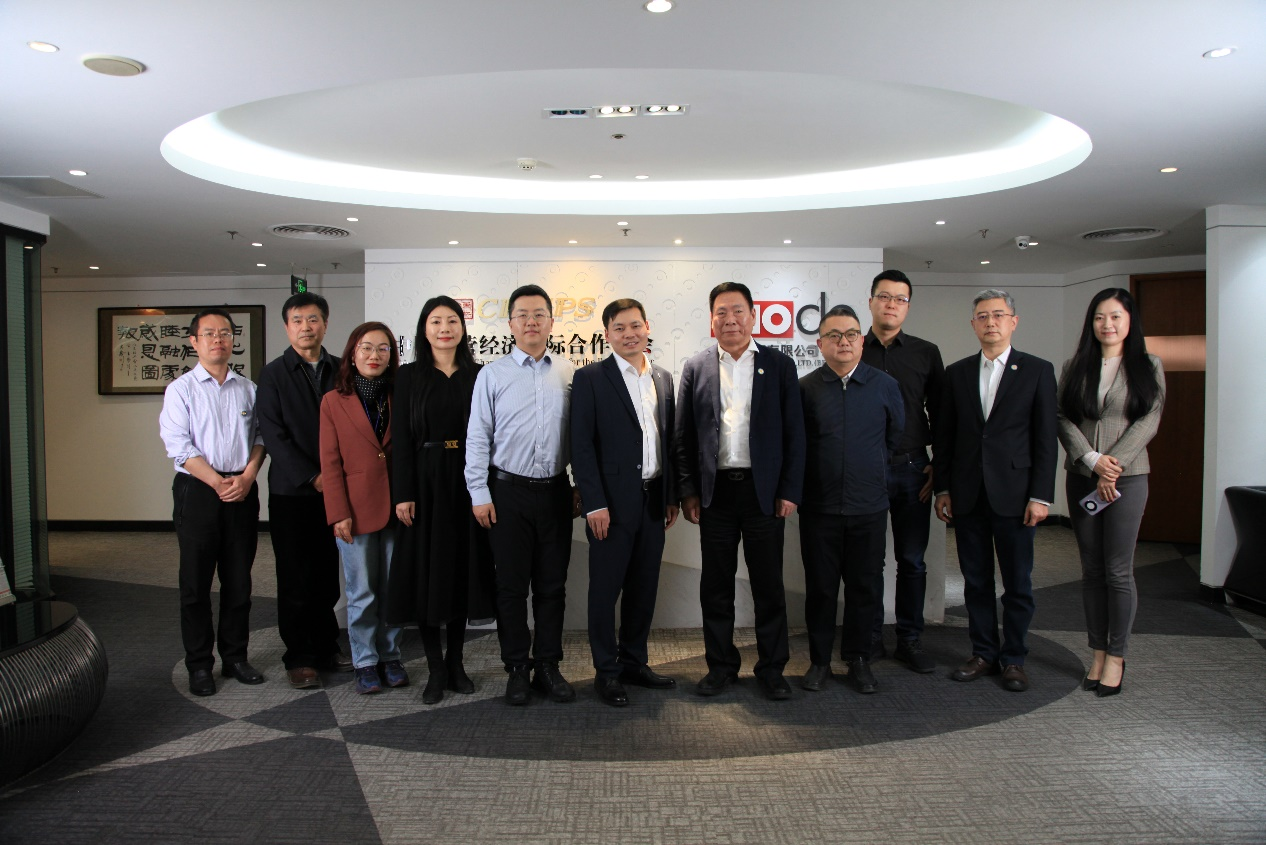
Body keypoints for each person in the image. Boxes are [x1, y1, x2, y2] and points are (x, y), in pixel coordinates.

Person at [675, 281, 805, 701]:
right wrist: (688, 491)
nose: (729, 319)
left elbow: (795, 434)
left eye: (737, 311)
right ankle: (721, 666)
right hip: (715, 495)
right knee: (716, 586)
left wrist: (789, 490)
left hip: (763, 494)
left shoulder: (779, 366)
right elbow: (683, 436)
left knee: (768, 586)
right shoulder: (696, 366)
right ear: (711, 320)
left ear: (752, 316)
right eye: (721, 312)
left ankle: (772, 668)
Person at [933, 289, 1057, 693]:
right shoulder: (957, 373)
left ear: (1013, 322)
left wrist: (1041, 495)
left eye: (998, 315)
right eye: (983, 316)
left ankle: (1014, 658)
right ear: (973, 324)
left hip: (1017, 496)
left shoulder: (1037, 370)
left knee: (1018, 583)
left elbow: (1045, 438)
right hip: (968, 494)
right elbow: (946, 437)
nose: (991, 322)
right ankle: (984, 652)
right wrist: (943, 487)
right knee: (976, 580)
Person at [466, 284, 578, 706]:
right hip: (506, 493)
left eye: (539, 314)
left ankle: (548, 664)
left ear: (551, 322)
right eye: (523, 315)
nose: (531, 322)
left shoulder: (569, 372)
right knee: (511, 587)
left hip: (556, 493)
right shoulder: (492, 375)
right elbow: (478, 436)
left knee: (552, 586)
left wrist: (580, 486)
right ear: (510, 324)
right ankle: (516, 667)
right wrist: (479, 492)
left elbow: (581, 437)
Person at [388, 296, 497, 705]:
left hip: (469, 480)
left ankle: (456, 663)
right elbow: (401, 440)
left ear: (463, 328)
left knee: (460, 573)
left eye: (452, 320)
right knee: (427, 575)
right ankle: (435, 668)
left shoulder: (479, 374)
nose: (445, 328)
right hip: (425, 482)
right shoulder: (409, 375)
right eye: (436, 321)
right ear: (424, 328)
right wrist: (403, 493)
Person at [571, 298, 679, 707]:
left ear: (647, 327)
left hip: (653, 501)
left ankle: (634, 662)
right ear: (607, 334)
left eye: (636, 326)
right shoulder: (590, 378)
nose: (629, 334)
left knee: (643, 588)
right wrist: (594, 503)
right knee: (605, 592)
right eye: (620, 328)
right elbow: (581, 445)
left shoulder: (663, 378)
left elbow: (669, 442)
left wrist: (670, 496)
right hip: (610, 507)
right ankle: (607, 672)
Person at [1056, 288, 1165, 698]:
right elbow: (1061, 416)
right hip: (1082, 476)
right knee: (1091, 570)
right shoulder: (1075, 366)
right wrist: (1091, 461)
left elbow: (1149, 419)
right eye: (1100, 317)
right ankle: (1098, 652)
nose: (1107, 324)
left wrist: (1112, 466)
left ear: (1130, 320)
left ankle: (1117, 656)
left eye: (1116, 316)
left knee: (1118, 570)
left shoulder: (1148, 365)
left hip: (1128, 478)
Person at [158, 307, 267, 697]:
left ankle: (235, 657)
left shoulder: (249, 389)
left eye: (225, 333)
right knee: (196, 583)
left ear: (233, 340)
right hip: (199, 491)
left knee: (239, 581)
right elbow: (178, 445)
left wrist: (248, 476)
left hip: (242, 488)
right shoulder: (181, 390)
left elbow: (261, 438)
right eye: (209, 333)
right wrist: (217, 482)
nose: (218, 339)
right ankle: (200, 664)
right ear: (194, 341)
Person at [799, 305, 904, 694]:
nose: (843, 342)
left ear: (861, 341)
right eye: (834, 335)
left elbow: (894, 437)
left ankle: (859, 660)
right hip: (819, 508)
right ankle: (819, 661)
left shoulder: (884, 386)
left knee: (864, 588)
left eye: (851, 334)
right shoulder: (805, 389)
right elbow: (798, 446)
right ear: (819, 344)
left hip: (869, 506)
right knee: (821, 589)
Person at [256, 292, 352, 690]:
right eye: (297, 320)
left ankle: (327, 645)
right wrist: (313, 477)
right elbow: (273, 435)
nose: (305, 327)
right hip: (291, 493)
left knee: (328, 574)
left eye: (313, 319)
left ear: (325, 324)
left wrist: (338, 478)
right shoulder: (273, 374)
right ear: (287, 327)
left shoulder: (342, 369)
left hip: (337, 490)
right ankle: (299, 657)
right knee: (296, 575)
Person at [861, 269, 944, 673]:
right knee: (870, 561)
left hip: (913, 468)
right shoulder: (854, 349)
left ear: (907, 306)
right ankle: (871, 637)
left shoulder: (926, 353)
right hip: (868, 470)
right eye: (884, 296)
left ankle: (910, 639)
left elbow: (943, 414)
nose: (891, 304)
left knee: (912, 560)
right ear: (871, 302)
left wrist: (939, 467)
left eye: (900, 298)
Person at [320, 321, 407, 695]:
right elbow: (330, 462)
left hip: (398, 507)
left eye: (383, 348)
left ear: (391, 355)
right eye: (366, 348)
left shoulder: (400, 395)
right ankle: (365, 661)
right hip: (354, 510)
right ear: (352, 354)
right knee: (362, 591)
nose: (375, 355)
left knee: (393, 588)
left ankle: (391, 655)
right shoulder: (333, 401)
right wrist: (338, 512)